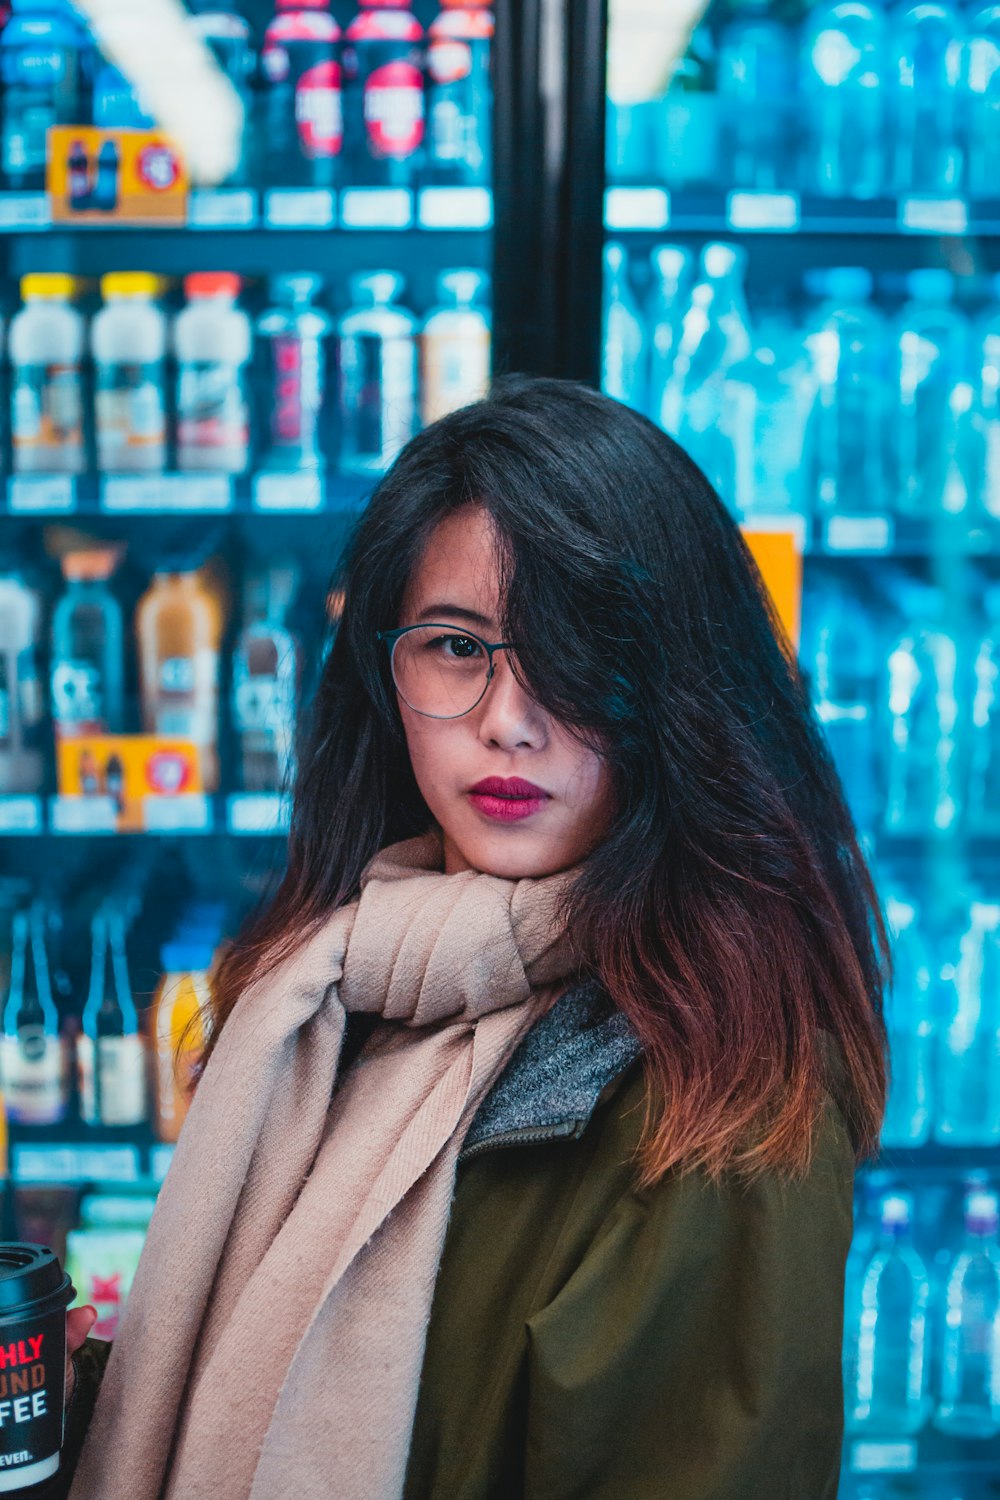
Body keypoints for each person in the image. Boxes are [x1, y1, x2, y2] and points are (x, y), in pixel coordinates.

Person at [53, 375, 886, 1499]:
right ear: (381, 672)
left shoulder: (724, 1090)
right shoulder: (333, 981)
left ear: (682, 686)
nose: (505, 719)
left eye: (575, 654)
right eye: (455, 646)